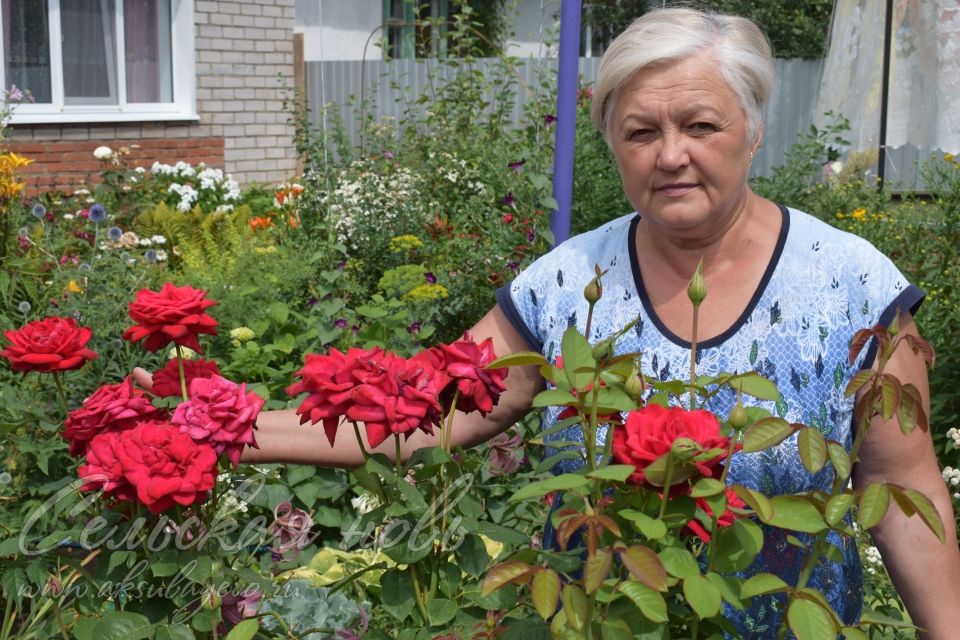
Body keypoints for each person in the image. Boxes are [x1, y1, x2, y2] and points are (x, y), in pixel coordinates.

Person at [136, 7, 960, 638]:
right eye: (640, 131)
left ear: (751, 130)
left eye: (699, 125)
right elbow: (427, 408)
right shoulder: (567, 285)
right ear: (613, 145)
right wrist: (224, 427)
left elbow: (901, 486)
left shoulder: (854, 286)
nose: (670, 153)